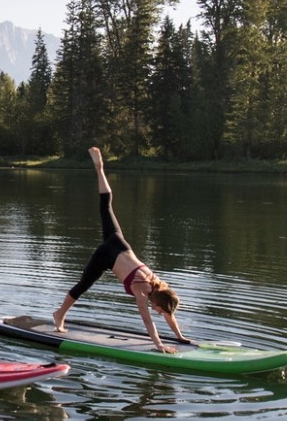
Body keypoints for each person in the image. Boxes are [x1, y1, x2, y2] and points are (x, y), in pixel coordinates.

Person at [51, 148, 188, 353]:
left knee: (106, 207)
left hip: (119, 243)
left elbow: (169, 313)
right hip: (106, 254)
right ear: (158, 301)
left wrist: (180, 337)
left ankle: (100, 168)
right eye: (159, 310)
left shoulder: (158, 285)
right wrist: (159, 345)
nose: (159, 313)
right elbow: (147, 321)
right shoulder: (142, 291)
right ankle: (59, 315)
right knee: (84, 284)